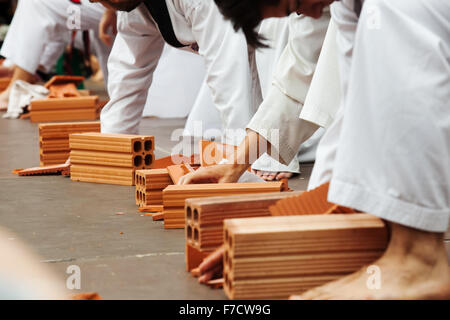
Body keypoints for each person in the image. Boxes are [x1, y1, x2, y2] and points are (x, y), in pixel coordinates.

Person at [183, 0, 450, 299]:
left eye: (294, 5)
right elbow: (338, 103)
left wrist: (412, 251)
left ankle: (420, 259)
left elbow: (411, 85)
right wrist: (306, 224)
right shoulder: (341, 7)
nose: (307, 14)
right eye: (293, 12)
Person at [0, 0, 115, 110]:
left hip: (117, 9)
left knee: (38, 2)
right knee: (56, 18)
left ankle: (18, 86)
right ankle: (24, 69)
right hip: (106, 21)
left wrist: (110, 11)